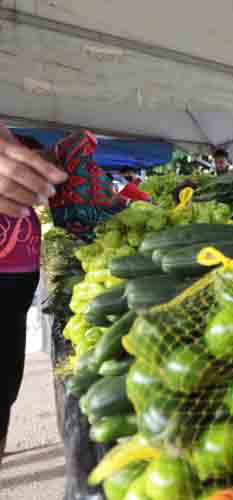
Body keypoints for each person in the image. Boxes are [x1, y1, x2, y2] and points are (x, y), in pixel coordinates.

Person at [0, 126, 66, 464]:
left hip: (20, 280)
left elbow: (52, 166)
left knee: (8, 370)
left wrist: (38, 163)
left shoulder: (17, 143)